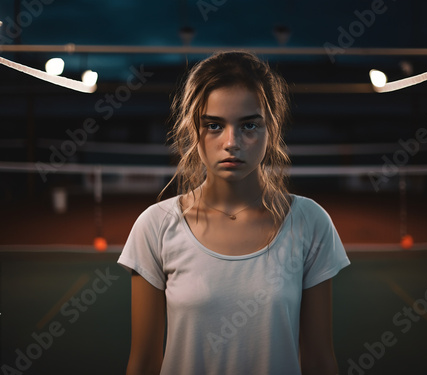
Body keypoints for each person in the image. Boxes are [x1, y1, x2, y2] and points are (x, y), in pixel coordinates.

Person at [118, 51, 350, 375]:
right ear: (192, 129)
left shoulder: (310, 223)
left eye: (249, 125)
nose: (231, 142)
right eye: (214, 125)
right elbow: (143, 364)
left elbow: (320, 361)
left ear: (272, 128)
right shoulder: (155, 226)